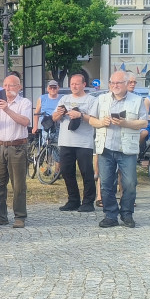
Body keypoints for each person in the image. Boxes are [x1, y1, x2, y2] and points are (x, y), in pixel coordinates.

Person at [85, 70, 148, 228]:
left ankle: (127, 214)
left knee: (129, 183)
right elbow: (91, 120)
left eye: (118, 83)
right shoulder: (101, 99)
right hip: (106, 147)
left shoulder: (137, 100)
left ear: (126, 84)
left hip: (127, 148)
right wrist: (102, 122)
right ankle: (110, 215)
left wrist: (125, 123)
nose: (114, 86)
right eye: (112, 83)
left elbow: (144, 123)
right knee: (106, 184)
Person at [0, 75, 32, 228]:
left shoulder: (24, 102)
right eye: (5, 85)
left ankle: (19, 216)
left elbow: (25, 122)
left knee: (18, 184)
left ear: (19, 87)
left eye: (11, 85)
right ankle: (0, 216)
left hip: (17, 146)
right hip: (0, 146)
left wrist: (7, 109)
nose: (7, 88)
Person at [52, 73, 98, 212]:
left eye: (77, 83)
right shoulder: (64, 98)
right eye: (72, 84)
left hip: (83, 142)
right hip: (66, 141)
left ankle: (88, 202)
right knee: (66, 171)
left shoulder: (91, 100)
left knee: (86, 172)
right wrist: (60, 113)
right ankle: (73, 200)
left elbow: (95, 119)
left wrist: (80, 115)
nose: (74, 86)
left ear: (84, 85)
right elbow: (54, 118)